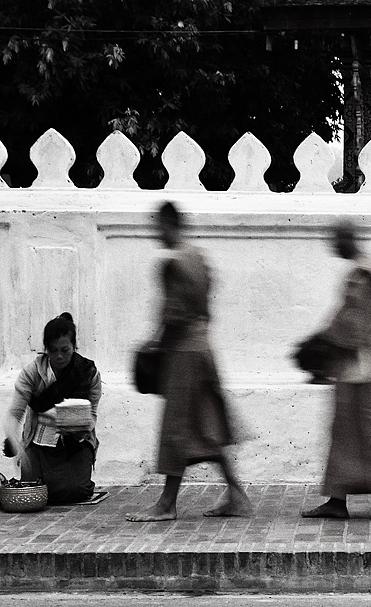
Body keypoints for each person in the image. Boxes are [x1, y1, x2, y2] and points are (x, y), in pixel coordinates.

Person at [127, 201, 252, 522]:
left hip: (182, 353)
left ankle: (166, 505)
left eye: (158, 226)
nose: (156, 233)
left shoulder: (173, 265)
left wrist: (155, 345)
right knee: (204, 427)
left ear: (170, 224)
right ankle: (236, 494)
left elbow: (175, 314)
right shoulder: (199, 258)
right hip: (202, 350)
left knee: (177, 429)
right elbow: (202, 309)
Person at [302, 221, 371, 519]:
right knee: (345, 431)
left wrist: (326, 343)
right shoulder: (359, 272)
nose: (332, 245)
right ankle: (338, 501)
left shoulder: (364, 275)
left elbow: (356, 323)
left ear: (348, 239)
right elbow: (345, 315)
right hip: (349, 361)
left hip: (357, 362)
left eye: (336, 239)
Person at [3, 312, 101, 505]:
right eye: (53, 350)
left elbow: (91, 417)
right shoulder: (32, 373)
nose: (59, 356)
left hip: (75, 443)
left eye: (65, 350)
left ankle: (82, 479)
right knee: (33, 490)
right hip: (39, 444)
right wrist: (14, 441)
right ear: (46, 349)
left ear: (74, 346)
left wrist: (75, 427)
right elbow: (14, 414)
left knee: (74, 491)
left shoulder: (88, 373)